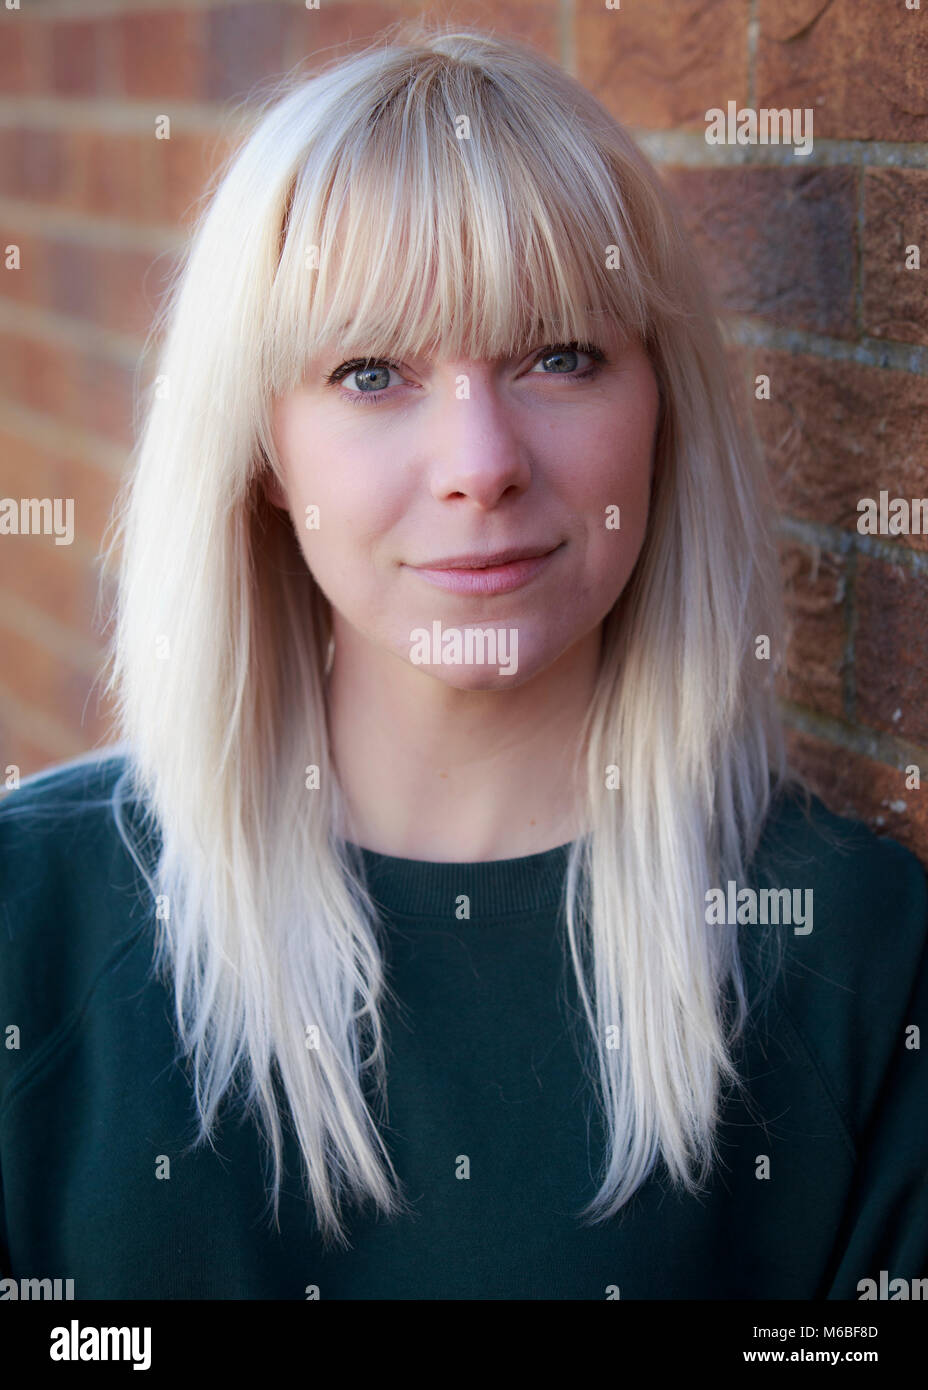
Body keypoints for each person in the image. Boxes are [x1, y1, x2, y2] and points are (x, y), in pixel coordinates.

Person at [1, 21, 926, 1301]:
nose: (479, 460)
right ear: (262, 453)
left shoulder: (862, 955)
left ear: (662, 411)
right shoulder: (26, 920)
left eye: (559, 357)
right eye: (372, 372)